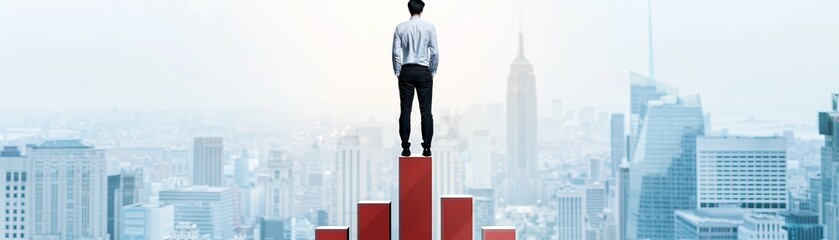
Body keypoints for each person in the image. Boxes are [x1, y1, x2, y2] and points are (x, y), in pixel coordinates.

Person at [392, 0, 439, 157]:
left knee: (405, 111)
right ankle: (427, 148)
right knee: (426, 112)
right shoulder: (429, 28)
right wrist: (432, 71)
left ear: (409, 9)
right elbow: (435, 52)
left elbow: (395, 53)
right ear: (422, 10)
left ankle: (405, 147)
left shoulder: (400, 28)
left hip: (406, 70)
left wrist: (398, 71)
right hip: (424, 70)